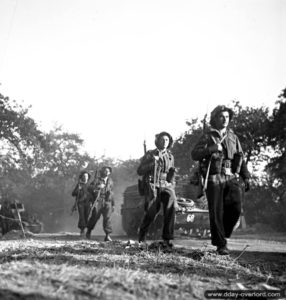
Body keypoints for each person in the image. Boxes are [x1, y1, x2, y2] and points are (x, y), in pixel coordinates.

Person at [191, 105, 250, 255]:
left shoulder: (233, 136)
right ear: (215, 118)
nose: (225, 119)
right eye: (221, 117)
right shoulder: (207, 135)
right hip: (214, 177)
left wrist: (246, 177)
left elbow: (240, 157)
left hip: (231, 176)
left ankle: (222, 234)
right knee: (216, 211)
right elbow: (194, 154)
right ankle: (221, 244)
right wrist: (210, 149)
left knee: (236, 208)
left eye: (227, 117)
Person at [137, 131, 177, 248]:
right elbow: (140, 170)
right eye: (162, 140)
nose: (164, 142)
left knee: (171, 206)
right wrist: (151, 162)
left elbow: (171, 172)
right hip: (152, 184)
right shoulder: (150, 154)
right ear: (157, 141)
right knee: (151, 212)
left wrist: (171, 183)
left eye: (167, 140)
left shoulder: (170, 156)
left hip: (166, 185)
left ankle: (167, 239)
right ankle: (142, 236)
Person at [86, 166, 114, 241]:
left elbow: (112, 193)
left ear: (110, 173)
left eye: (108, 171)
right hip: (98, 200)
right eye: (105, 170)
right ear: (102, 172)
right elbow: (89, 188)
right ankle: (88, 231)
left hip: (108, 201)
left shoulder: (110, 181)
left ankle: (107, 235)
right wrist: (98, 186)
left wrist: (113, 204)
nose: (106, 172)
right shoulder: (96, 179)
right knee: (95, 217)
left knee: (107, 218)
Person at [71, 170, 92, 237]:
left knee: (87, 216)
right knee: (82, 216)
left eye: (86, 176)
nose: (85, 177)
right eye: (84, 176)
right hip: (81, 203)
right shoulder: (79, 185)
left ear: (88, 177)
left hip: (88, 203)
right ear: (82, 177)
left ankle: (88, 230)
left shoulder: (90, 185)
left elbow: (94, 194)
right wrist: (78, 189)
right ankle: (82, 229)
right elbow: (73, 194)